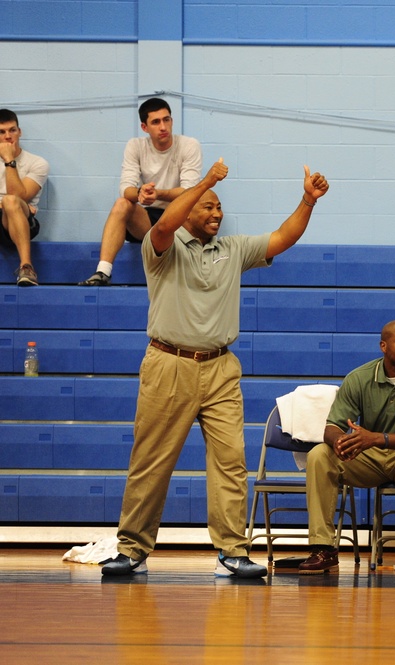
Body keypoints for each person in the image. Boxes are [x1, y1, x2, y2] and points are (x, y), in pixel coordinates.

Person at [102, 158, 330, 577]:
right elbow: (166, 224)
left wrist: (307, 202)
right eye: (208, 206)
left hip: (221, 368)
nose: (217, 213)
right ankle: (132, 548)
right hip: (169, 364)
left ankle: (232, 551)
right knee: (151, 461)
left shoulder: (233, 249)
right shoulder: (161, 246)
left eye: (219, 207)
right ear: (188, 210)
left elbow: (282, 237)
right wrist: (205, 180)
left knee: (229, 461)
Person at [301, 320, 395, 577]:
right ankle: (323, 548)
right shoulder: (359, 377)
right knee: (319, 454)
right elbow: (331, 427)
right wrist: (339, 442)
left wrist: (376, 438)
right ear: (383, 346)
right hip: (369, 458)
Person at [80, 97, 202, 286]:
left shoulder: (189, 145)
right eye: (156, 122)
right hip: (146, 219)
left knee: (196, 208)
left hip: (179, 218)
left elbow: (190, 192)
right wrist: (139, 193)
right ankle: (103, 272)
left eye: (166, 119)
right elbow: (125, 188)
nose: (163, 127)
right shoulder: (135, 146)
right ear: (145, 127)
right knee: (122, 203)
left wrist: (159, 194)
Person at [0, 109, 49, 286]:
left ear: (19, 131)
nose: (8, 136)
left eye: (12, 130)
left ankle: (26, 267)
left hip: (22, 220)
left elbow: (18, 195)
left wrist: (8, 160)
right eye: (2, 132)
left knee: (10, 201)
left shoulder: (37, 163)